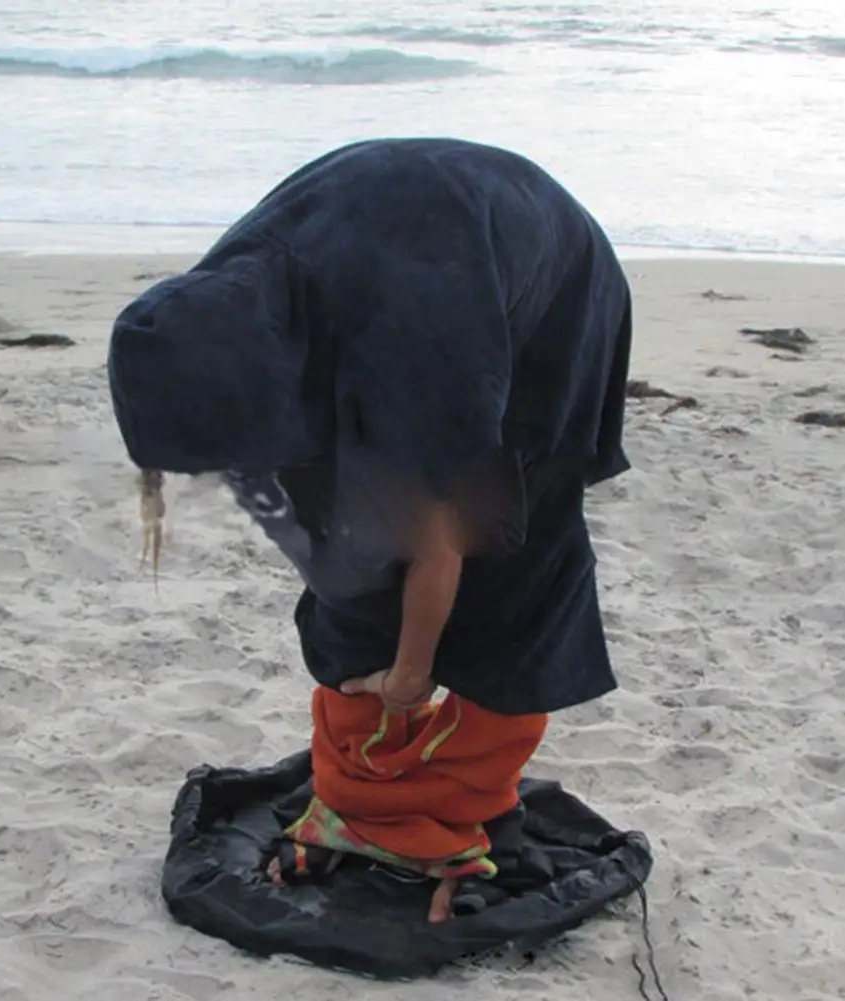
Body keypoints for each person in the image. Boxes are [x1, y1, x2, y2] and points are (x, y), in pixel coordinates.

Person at [108, 137, 633, 925]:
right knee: (355, 579)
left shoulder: (414, 351)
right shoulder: (211, 312)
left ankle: (451, 819)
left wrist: (409, 673)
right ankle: (361, 806)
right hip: (402, 243)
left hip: (545, 283)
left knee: (511, 557)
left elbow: (439, 541)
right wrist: (358, 629)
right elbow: (319, 521)